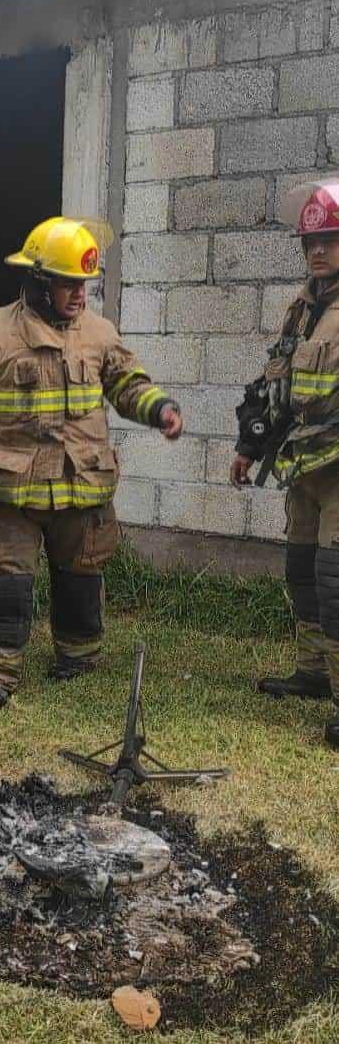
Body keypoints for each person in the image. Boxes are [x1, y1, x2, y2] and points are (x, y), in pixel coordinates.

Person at [0, 216, 183, 709]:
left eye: (84, 284)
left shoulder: (99, 333)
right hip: (12, 493)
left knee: (81, 578)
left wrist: (160, 409)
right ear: (39, 282)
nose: (79, 294)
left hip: (81, 485)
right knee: (7, 582)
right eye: (69, 284)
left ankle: (78, 658)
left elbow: (127, 383)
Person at [233, 178, 339, 749]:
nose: (318, 251)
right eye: (310, 242)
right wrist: (249, 446)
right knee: (302, 571)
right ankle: (314, 672)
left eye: (329, 239)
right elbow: (274, 381)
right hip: (305, 471)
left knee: (335, 581)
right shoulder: (300, 311)